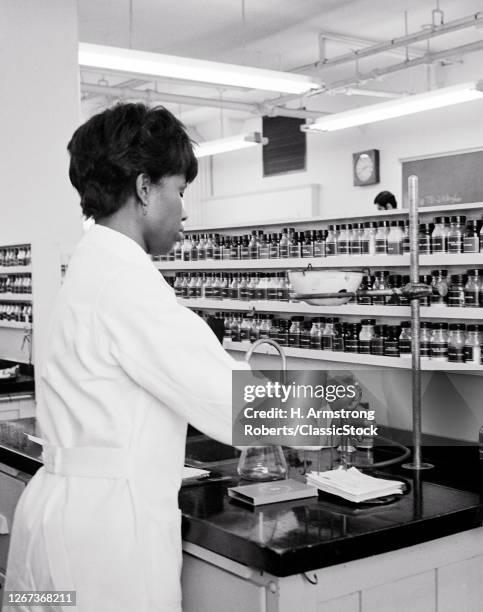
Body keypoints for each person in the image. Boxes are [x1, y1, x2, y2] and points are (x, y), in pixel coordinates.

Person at [4, 103, 245, 612]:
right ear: (143, 188)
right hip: (105, 548)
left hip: (51, 527)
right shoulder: (128, 285)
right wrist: (347, 409)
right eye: (179, 190)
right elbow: (235, 401)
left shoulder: (86, 272)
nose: (185, 211)